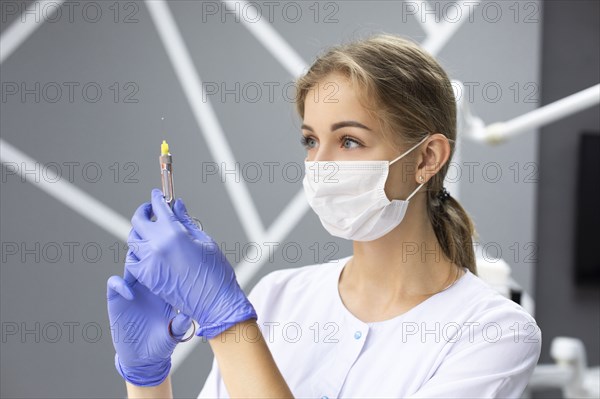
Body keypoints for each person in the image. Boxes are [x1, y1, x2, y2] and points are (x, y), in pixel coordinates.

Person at [107, 33, 541, 398]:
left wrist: (228, 324)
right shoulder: (278, 297)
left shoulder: (494, 333)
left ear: (427, 157)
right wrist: (147, 379)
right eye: (311, 141)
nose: (320, 164)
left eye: (349, 141)